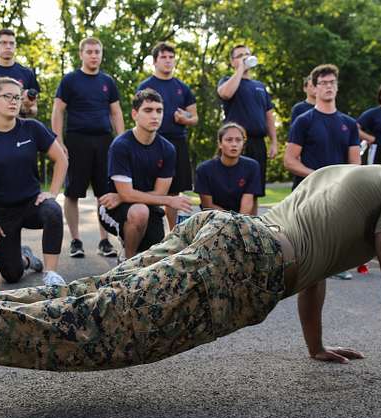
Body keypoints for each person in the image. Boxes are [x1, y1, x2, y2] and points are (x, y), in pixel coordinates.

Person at [0, 142, 381, 418]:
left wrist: (313, 345)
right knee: (94, 329)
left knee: (88, 298)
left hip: (220, 234)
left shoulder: (346, 173)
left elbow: (317, 262)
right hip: (244, 263)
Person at [0, 77, 68, 286]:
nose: (13, 101)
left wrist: (53, 193)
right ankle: (27, 258)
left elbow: (61, 159)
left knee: (53, 210)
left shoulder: (32, 128)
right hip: (2, 212)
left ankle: (51, 273)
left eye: (17, 97)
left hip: (32, 205)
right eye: (7, 96)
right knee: (12, 275)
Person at [284, 63, 360, 280]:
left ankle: (336, 264)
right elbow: (289, 161)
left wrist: (343, 180)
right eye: (323, 83)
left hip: (339, 188)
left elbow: (355, 163)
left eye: (332, 83)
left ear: (337, 87)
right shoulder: (303, 121)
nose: (328, 86)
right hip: (310, 188)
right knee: (306, 239)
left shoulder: (349, 123)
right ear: (314, 88)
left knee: (335, 231)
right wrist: (316, 174)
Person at [51, 37, 124, 259]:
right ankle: (75, 241)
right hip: (76, 141)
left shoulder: (107, 81)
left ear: (102, 54)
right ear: (81, 54)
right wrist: (58, 141)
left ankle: (105, 241)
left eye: (97, 52)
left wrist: (121, 141)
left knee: (105, 192)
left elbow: (116, 113)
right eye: (90, 51)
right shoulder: (70, 80)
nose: (94, 55)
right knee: (72, 193)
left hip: (104, 142)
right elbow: (58, 111)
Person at [98, 89, 191, 259]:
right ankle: (127, 261)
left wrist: (123, 196)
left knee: (155, 257)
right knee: (139, 212)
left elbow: (159, 193)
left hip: (144, 205)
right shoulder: (121, 145)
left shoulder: (168, 149)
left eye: (159, 111)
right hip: (112, 207)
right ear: (135, 114)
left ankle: (135, 250)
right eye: (148, 110)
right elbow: (161, 197)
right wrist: (170, 200)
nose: (155, 116)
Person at [137, 42, 198, 229]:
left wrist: (184, 119)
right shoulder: (146, 86)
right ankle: (147, 232)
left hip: (177, 142)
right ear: (155, 61)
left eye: (171, 57)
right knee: (148, 189)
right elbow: (138, 115)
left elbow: (194, 117)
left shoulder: (182, 87)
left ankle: (174, 236)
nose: (168, 61)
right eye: (163, 57)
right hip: (152, 142)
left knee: (173, 193)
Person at [217, 44, 279, 212]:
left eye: (247, 55)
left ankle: (252, 229)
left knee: (254, 190)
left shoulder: (259, 86)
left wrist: (274, 142)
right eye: (239, 56)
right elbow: (225, 94)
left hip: (258, 143)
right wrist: (240, 69)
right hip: (236, 143)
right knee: (233, 188)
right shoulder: (226, 81)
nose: (244, 58)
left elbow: (269, 115)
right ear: (232, 62)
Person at [194, 122, 262, 214]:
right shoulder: (204, 169)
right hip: (214, 220)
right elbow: (208, 206)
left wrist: (239, 223)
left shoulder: (252, 166)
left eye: (238, 140)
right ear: (220, 144)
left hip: (244, 220)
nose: (234, 144)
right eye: (229, 140)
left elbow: (248, 202)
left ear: (243, 144)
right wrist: (231, 221)